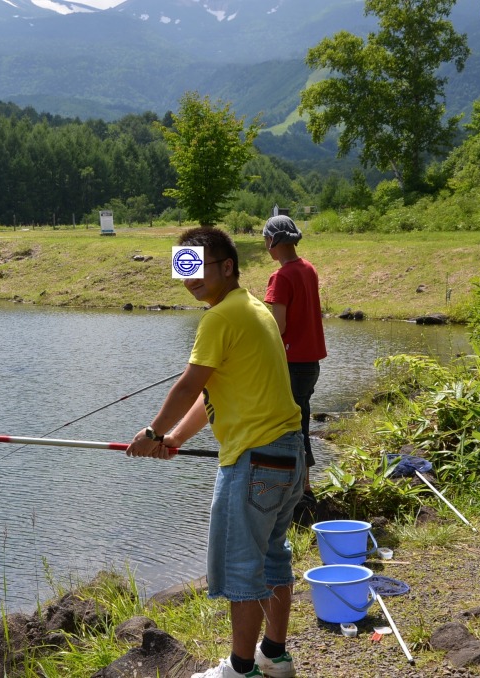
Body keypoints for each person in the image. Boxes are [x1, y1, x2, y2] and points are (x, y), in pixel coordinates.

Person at [127, 227, 303, 678]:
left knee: (242, 568)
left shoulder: (219, 318)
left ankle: (241, 670)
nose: (190, 278)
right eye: (182, 268)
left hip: (253, 459)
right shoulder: (254, 308)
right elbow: (211, 394)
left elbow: (188, 385)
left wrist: (152, 432)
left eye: (197, 266)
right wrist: (175, 438)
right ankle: (274, 656)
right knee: (273, 557)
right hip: (288, 454)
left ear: (227, 266)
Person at [262, 215, 326, 501]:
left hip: (290, 363)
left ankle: (298, 490)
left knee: (290, 427)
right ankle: (304, 486)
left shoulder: (281, 277)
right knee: (301, 420)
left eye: (265, 239)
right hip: (310, 363)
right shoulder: (308, 268)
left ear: (273, 241)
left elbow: (278, 327)